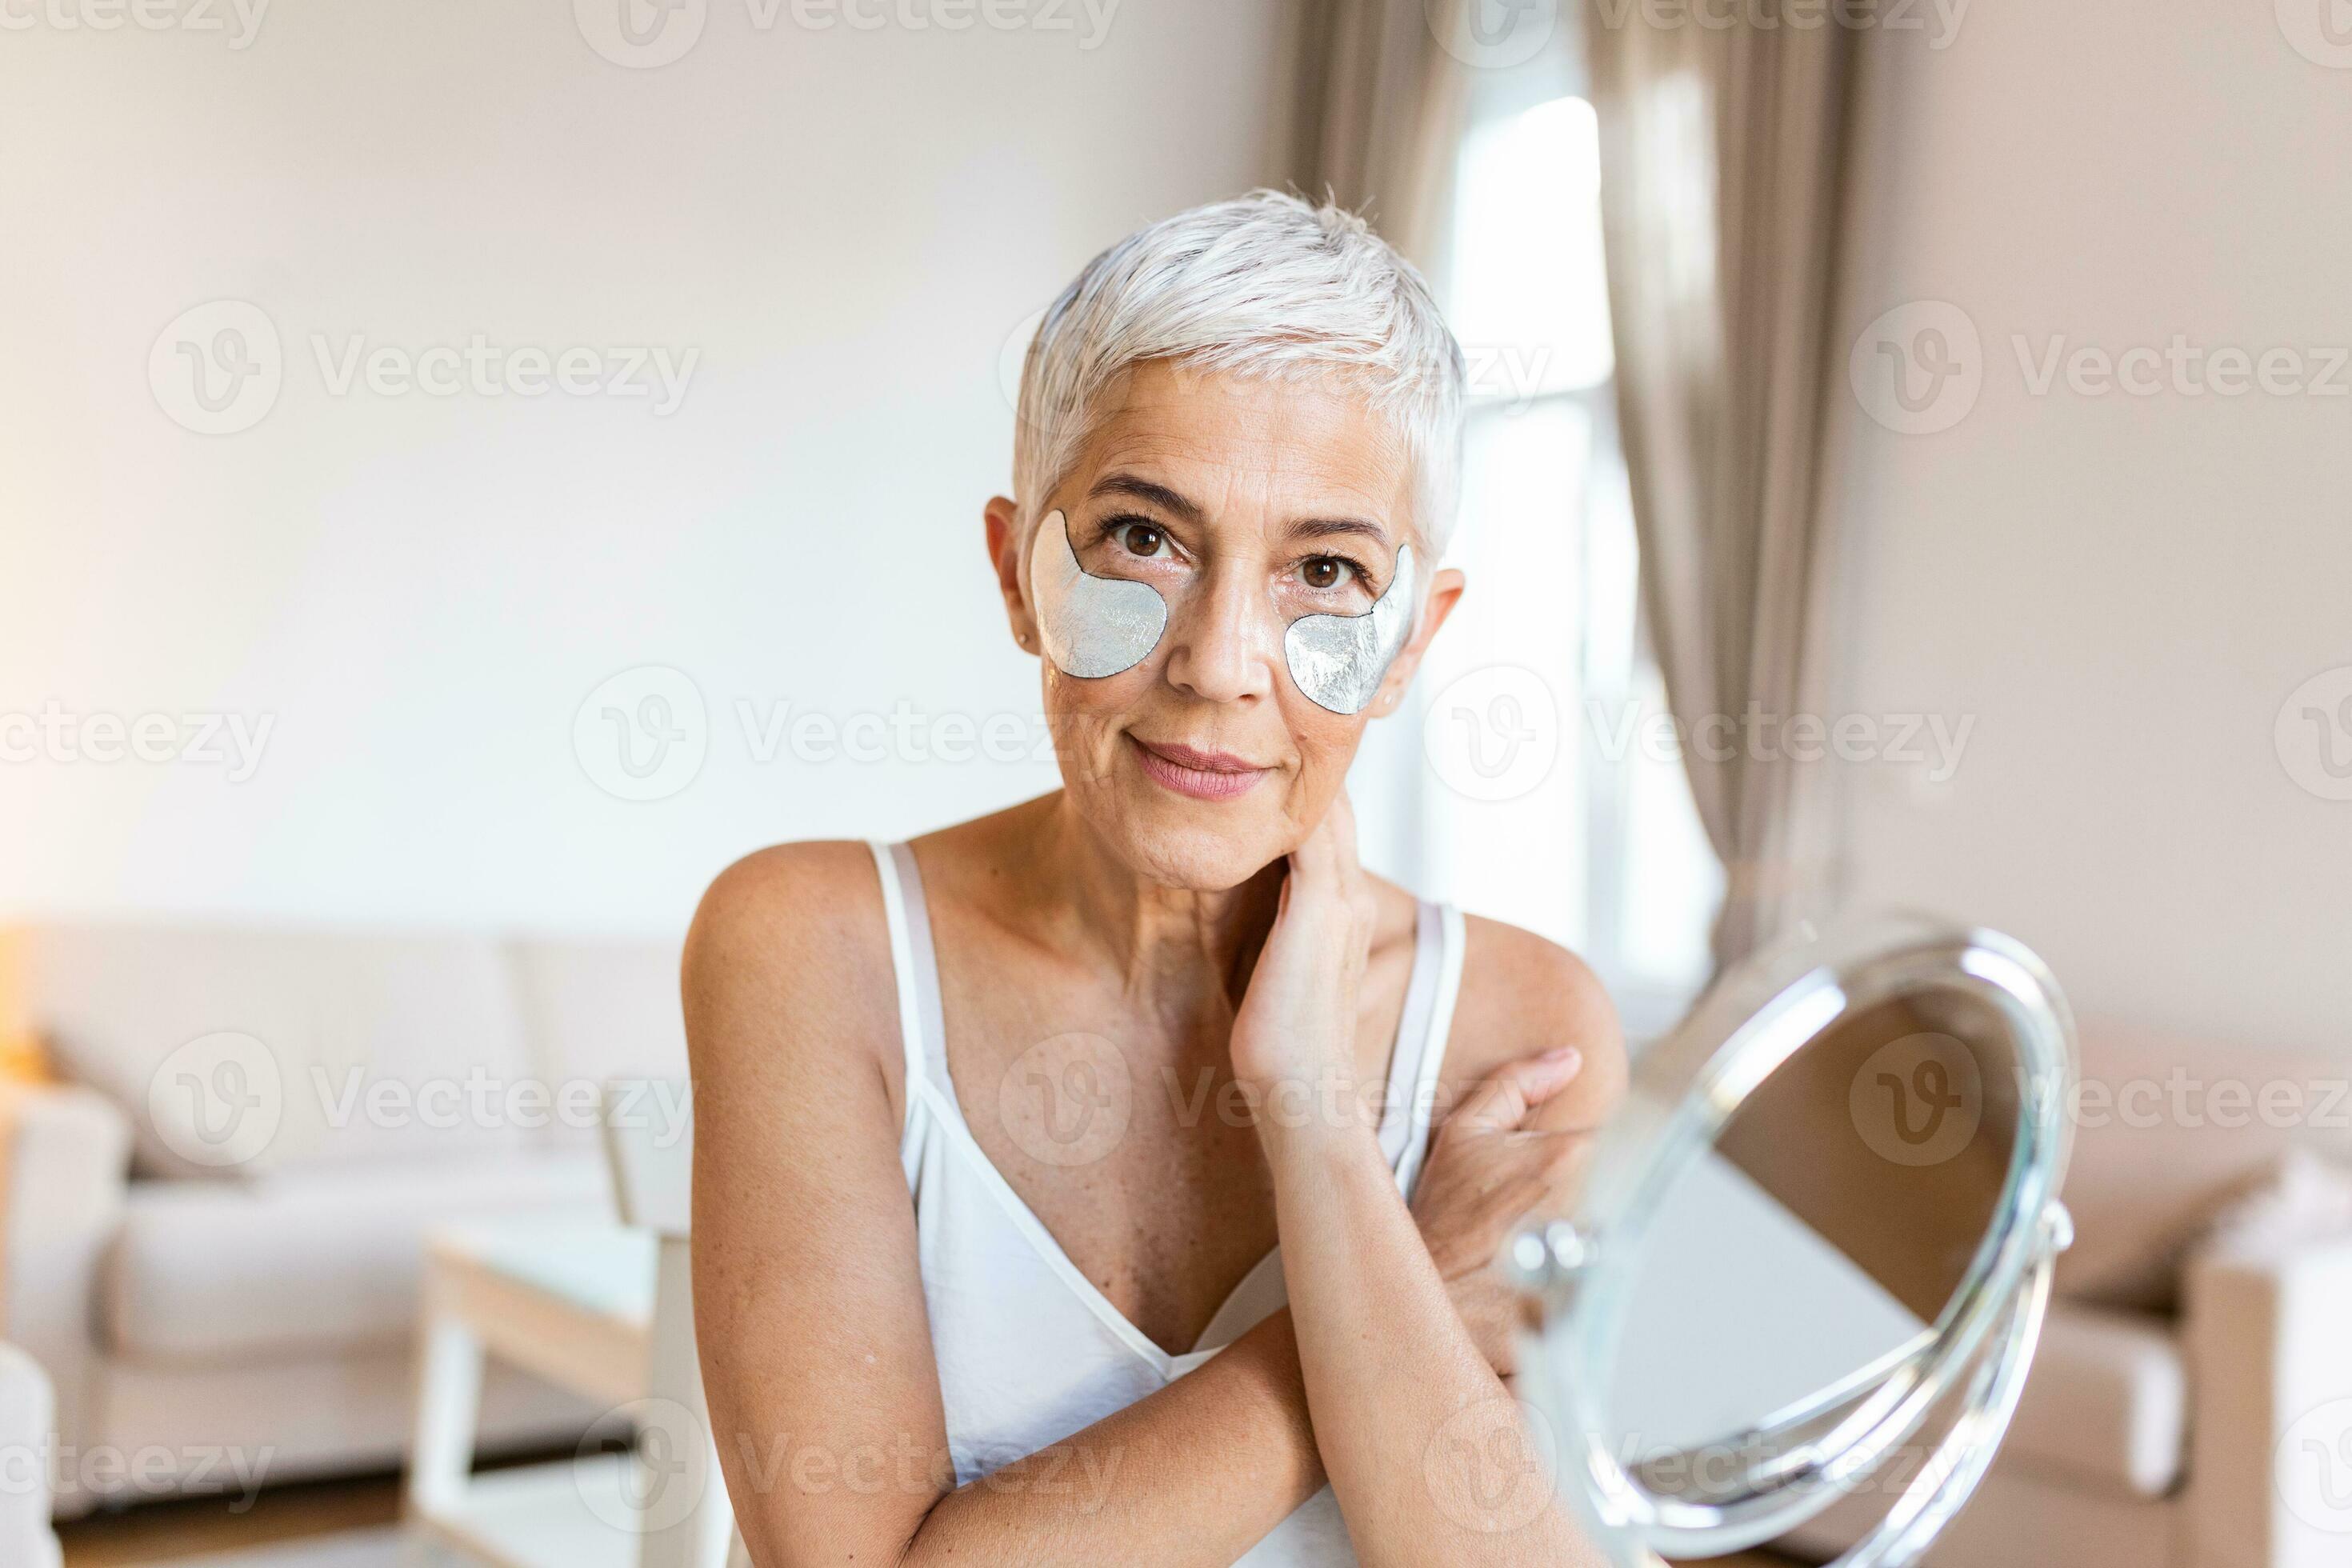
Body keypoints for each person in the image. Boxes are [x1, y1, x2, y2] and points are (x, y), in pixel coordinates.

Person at [685, 190, 1625, 1565]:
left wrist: (1309, 1102)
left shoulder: (1526, 1033)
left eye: (1324, 569)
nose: (1220, 661)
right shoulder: (808, 947)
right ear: (1017, 574)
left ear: (1416, 641)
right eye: (1145, 539)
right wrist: (1398, 1296)